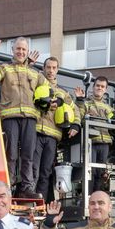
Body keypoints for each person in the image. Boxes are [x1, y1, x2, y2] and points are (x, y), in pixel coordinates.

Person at [0, 31, 47, 197]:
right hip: (10, 117)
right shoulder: (5, 68)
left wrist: (53, 102)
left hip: (30, 119)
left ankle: (27, 188)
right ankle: (8, 188)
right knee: (10, 154)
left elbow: (49, 92)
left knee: (28, 155)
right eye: (18, 49)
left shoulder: (36, 74)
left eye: (24, 50)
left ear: (27, 52)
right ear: (13, 50)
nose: (21, 52)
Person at [33, 56, 78, 199]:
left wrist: (76, 124)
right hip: (36, 133)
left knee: (46, 172)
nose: (51, 71)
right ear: (43, 68)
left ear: (57, 70)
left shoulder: (63, 93)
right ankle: (31, 201)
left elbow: (75, 110)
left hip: (52, 138)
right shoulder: (37, 85)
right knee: (33, 170)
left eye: (54, 68)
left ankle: (41, 204)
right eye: (48, 67)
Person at [74, 77, 115, 168]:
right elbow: (79, 115)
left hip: (105, 143)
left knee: (100, 173)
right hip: (90, 142)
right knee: (90, 171)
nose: (99, 88)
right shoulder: (85, 103)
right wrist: (79, 101)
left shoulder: (108, 108)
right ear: (93, 87)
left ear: (105, 89)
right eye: (97, 85)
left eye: (102, 86)